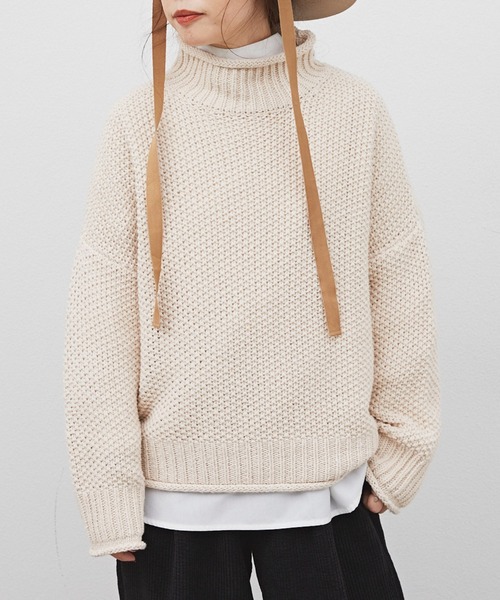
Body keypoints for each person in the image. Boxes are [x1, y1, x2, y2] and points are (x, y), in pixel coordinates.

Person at [63, 0, 441, 598]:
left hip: (326, 491)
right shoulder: (136, 120)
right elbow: (100, 318)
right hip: (172, 504)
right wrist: (106, 485)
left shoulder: (353, 109)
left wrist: (405, 446)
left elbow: (397, 279)